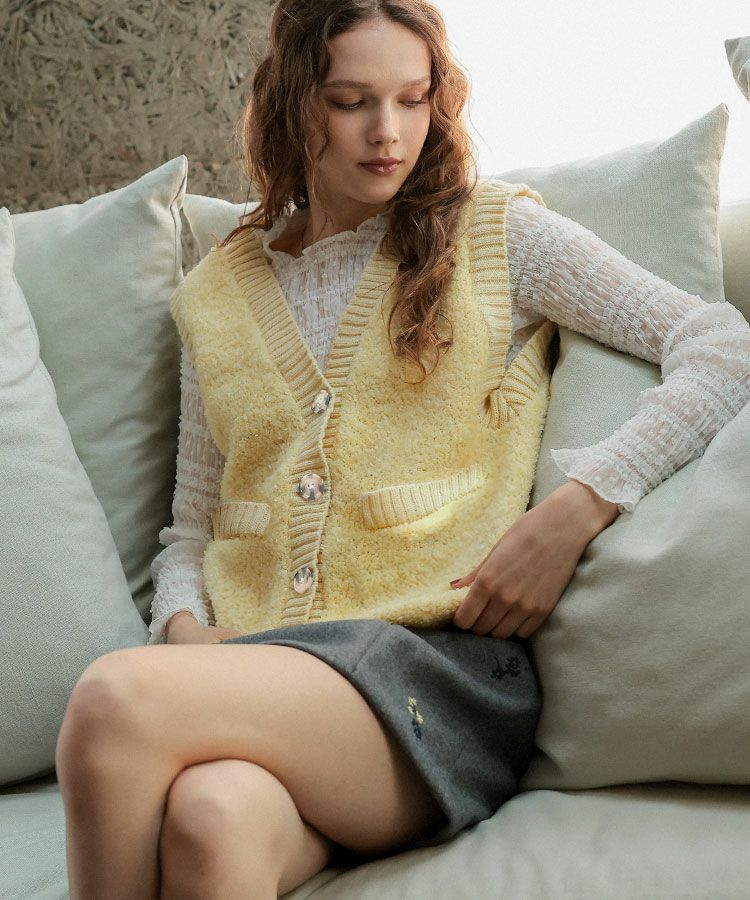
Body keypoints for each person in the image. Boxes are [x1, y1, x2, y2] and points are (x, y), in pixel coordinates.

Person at [55, 2, 750, 899]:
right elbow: (196, 522)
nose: (388, 132)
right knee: (211, 819)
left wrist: (574, 512)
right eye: (351, 102)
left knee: (112, 699)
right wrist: (184, 629)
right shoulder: (215, 294)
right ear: (293, 102)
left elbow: (721, 345)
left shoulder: (495, 234)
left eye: (413, 99)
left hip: (433, 671)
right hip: (262, 675)